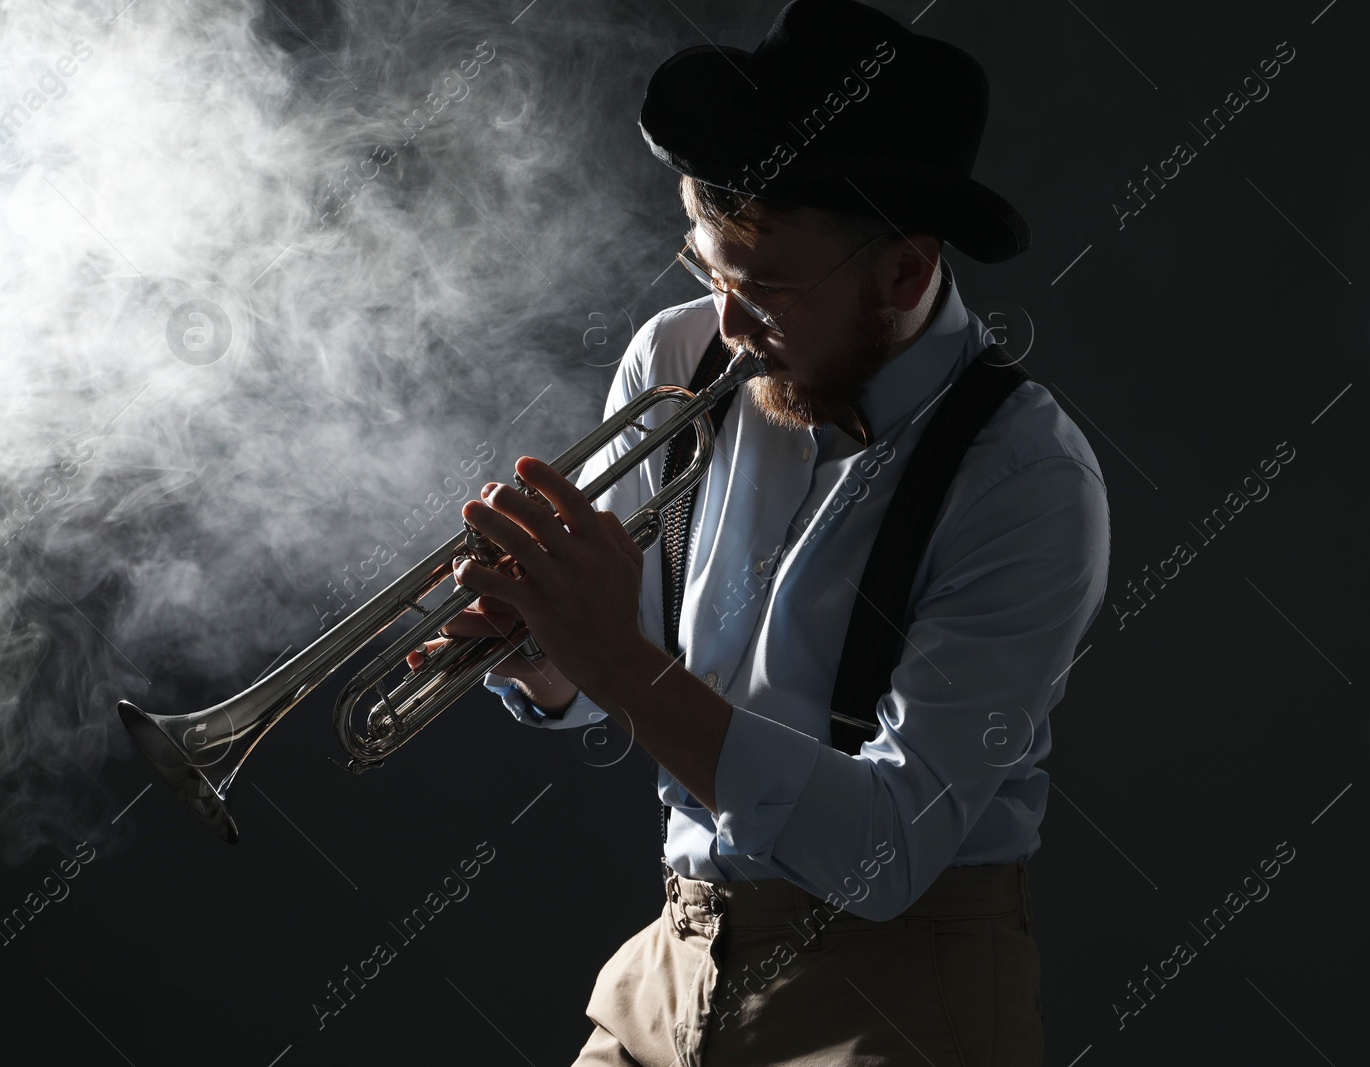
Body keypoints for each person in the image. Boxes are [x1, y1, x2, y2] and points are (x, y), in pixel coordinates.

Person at [409, 1, 1110, 1063]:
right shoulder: (678, 355)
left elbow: (885, 846)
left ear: (906, 274)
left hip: (896, 996)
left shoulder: (1027, 479)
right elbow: (625, 646)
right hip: (674, 956)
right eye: (708, 269)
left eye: (766, 286)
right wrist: (547, 654)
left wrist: (614, 655)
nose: (729, 323)